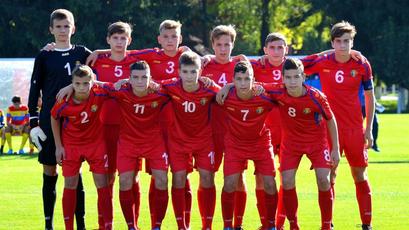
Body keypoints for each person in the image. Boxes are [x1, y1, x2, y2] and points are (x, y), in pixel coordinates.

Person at [302, 21, 375, 230]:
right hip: (328, 130)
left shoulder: (362, 64)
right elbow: (294, 65)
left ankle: (366, 224)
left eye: (348, 42)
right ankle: (328, 224)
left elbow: (371, 98)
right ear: (333, 42)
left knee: (359, 174)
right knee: (329, 175)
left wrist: (368, 129)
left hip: (354, 130)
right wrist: (328, 51)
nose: (344, 46)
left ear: (352, 42)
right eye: (339, 42)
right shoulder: (322, 61)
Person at [28, 9, 90, 230]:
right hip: (48, 119)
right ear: (51, 29)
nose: (63, 31)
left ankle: (80, 223)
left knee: (75, 171)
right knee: (50, 170)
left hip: (75, 121)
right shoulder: (44, 55)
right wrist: (33, 122)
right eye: (59, 26)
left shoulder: (82, 53)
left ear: (73, 28)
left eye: (67, 26)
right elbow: (34, 89)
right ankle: (48, 223)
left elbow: (105, 57)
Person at [263, 58, 340, 230]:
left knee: (324, 180)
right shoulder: (277, 91)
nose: (292, 81)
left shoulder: (316, 96)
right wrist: (228, 86)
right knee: (287, 181)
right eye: (288, 77)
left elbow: (330, 119)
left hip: (317, 143)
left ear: (303, 77)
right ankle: (293, 225)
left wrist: (335, 148)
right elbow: (253, 85)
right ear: (282, 78)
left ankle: (326, 226)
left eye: (296, 77)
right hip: (291, 144)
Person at [99, 60, 170, 229]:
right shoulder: (121, 90)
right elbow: (91, 83)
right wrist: (70, 87)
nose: (140, 81)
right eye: (136, 77)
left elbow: (182, 83)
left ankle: (157, 226)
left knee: (162, 180)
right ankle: (131, 226)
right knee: (124, 182)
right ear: (129, 78)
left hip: (154, 142)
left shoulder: (160, 92)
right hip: (128, 143)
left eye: (144, 77)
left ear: (150, 78)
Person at [159, 51, 220, 229]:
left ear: (200, 71)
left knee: (207, 178)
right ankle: (181, 226)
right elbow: (148, 86)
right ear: (179, 71)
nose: (189, 76)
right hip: (178, 141)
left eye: (193, 72)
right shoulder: (171, 86)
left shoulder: (209, 87)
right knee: (178, 179)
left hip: (203, 141)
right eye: (185, 72)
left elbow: (228, 92)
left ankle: (206, 225)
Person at [50, 65, 112, 230]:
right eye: (77, 84)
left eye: (86, 83)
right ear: (72, 83)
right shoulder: (64, 100)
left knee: (102, 184)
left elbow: (117, 86)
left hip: (96, 144)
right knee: (70, 184)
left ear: (93, 82)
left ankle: (106, 226)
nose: (82, 87)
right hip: (71, 145)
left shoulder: (99, 92)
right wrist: (58, 146)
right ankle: (69, 227)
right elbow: (54, 117)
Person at [218, 61, 278, 230]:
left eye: (247, 79)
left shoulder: (264, 96)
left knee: (270, 183)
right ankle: (228, 226)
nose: (243, 83)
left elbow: (284, 88)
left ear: (254, 80)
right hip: (235, 144)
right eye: (239, 79)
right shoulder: (225, 96)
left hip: (260, 143)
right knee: (229, 183)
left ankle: (271, 225)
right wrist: (226, 87)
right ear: (233, 80)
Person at [201, 25, 250, 229]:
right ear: (212, 45)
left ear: (233, 45)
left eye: (227, 44)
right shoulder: (203, 66)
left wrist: (229, 85)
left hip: (236, 133)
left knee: (238, 179)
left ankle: (236, 224)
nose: (223, 49)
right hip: (211, 132)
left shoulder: (241, 66)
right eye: (219, 44)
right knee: (207, 178)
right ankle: (207, 224)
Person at [250, 32, 287, 228]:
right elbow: (235, 62)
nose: (276, 51)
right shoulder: (255, 66)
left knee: (285, 180)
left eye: (280, 47)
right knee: (261, 181)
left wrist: (351, 51)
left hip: (288, 131)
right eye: (272, 47)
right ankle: (265, 223)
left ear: (286, 50)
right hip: (263, 132)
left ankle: (278, 223)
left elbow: (319, 57)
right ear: (265, 50)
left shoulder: (293, 66)